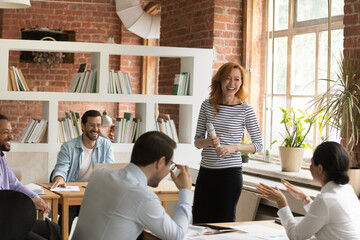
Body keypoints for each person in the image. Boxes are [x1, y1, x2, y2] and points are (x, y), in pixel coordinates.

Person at [72, 131, 193, 240]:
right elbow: (177, 235)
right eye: (170, 164)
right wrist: (185, 190)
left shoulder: (100, 174)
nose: (168, 171)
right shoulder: (142, 196)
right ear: (161, 162)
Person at [192, 62, 263, 224]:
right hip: (206, 173)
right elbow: (197, 142)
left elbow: (258, 145)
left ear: (242, 82)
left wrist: (235, 147)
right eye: (227, 79)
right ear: (219, 80)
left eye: (237, 79)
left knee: (224, 224)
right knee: (199, 221)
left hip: (230, 176)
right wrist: (209, 142)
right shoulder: (207, 105)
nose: (232, 84)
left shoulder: (245, 109)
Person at [256, 141, 360, 240]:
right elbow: (325, 216)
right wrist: (305, 198)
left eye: (311, 164)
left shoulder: (326, 199)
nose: (309, 168)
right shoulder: (347, 190)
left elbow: (295, 235)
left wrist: (281, 202)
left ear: (320, 169)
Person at [50, 109, 115, 232]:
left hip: (95, 195)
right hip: (73, 196)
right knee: (67, 214)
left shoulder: (106, 145)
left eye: (98, 125)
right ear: (83, 126)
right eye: (91, 125)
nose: (95, 129)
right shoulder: (68, 147)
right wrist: (59, 177)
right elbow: (61, 168)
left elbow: (109, 170)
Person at [0, 114, 52, 238]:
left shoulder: (2, 157)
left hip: (9, 219)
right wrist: (29, 203)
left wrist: (36, 198)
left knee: (52, 228)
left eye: (11, 132)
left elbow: (16, 185)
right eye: (5, 132)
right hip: (4, 224)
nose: (11, 137)